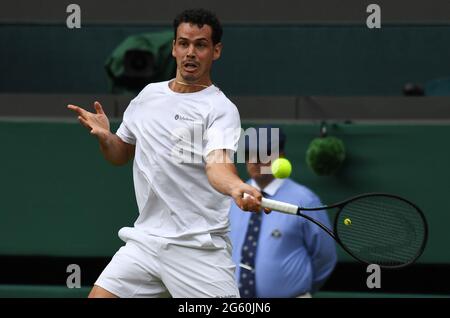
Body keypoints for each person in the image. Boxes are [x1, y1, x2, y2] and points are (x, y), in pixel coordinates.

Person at [67, 8, 264, 298]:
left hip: (198, 248)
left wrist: (236, 186)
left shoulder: (220, 109)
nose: (190, 52)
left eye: (200, 45)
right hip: (146, 241)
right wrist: (106, 137)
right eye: (183, 43)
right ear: (173, 47)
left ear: (216, 51)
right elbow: (120, 155)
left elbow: (217, 166)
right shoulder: (148, 96)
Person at [229, 126, 337, 298]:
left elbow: (324, 257)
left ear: (281, 156)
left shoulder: (305, 200)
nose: (256, 160)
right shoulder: (232, 198)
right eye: (249, 153)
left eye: (264, 153)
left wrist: (301, 292)